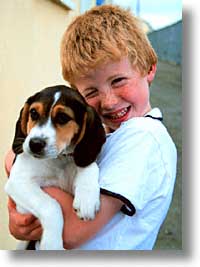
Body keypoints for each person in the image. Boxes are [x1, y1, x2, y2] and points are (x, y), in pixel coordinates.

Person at [5, 5, 177, 250]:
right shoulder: (106, 134)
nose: (108, 102)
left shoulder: (145, 137)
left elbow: (72, 232)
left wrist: (15, 163)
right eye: (91, 92)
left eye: (118, 80)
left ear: (149, 68)